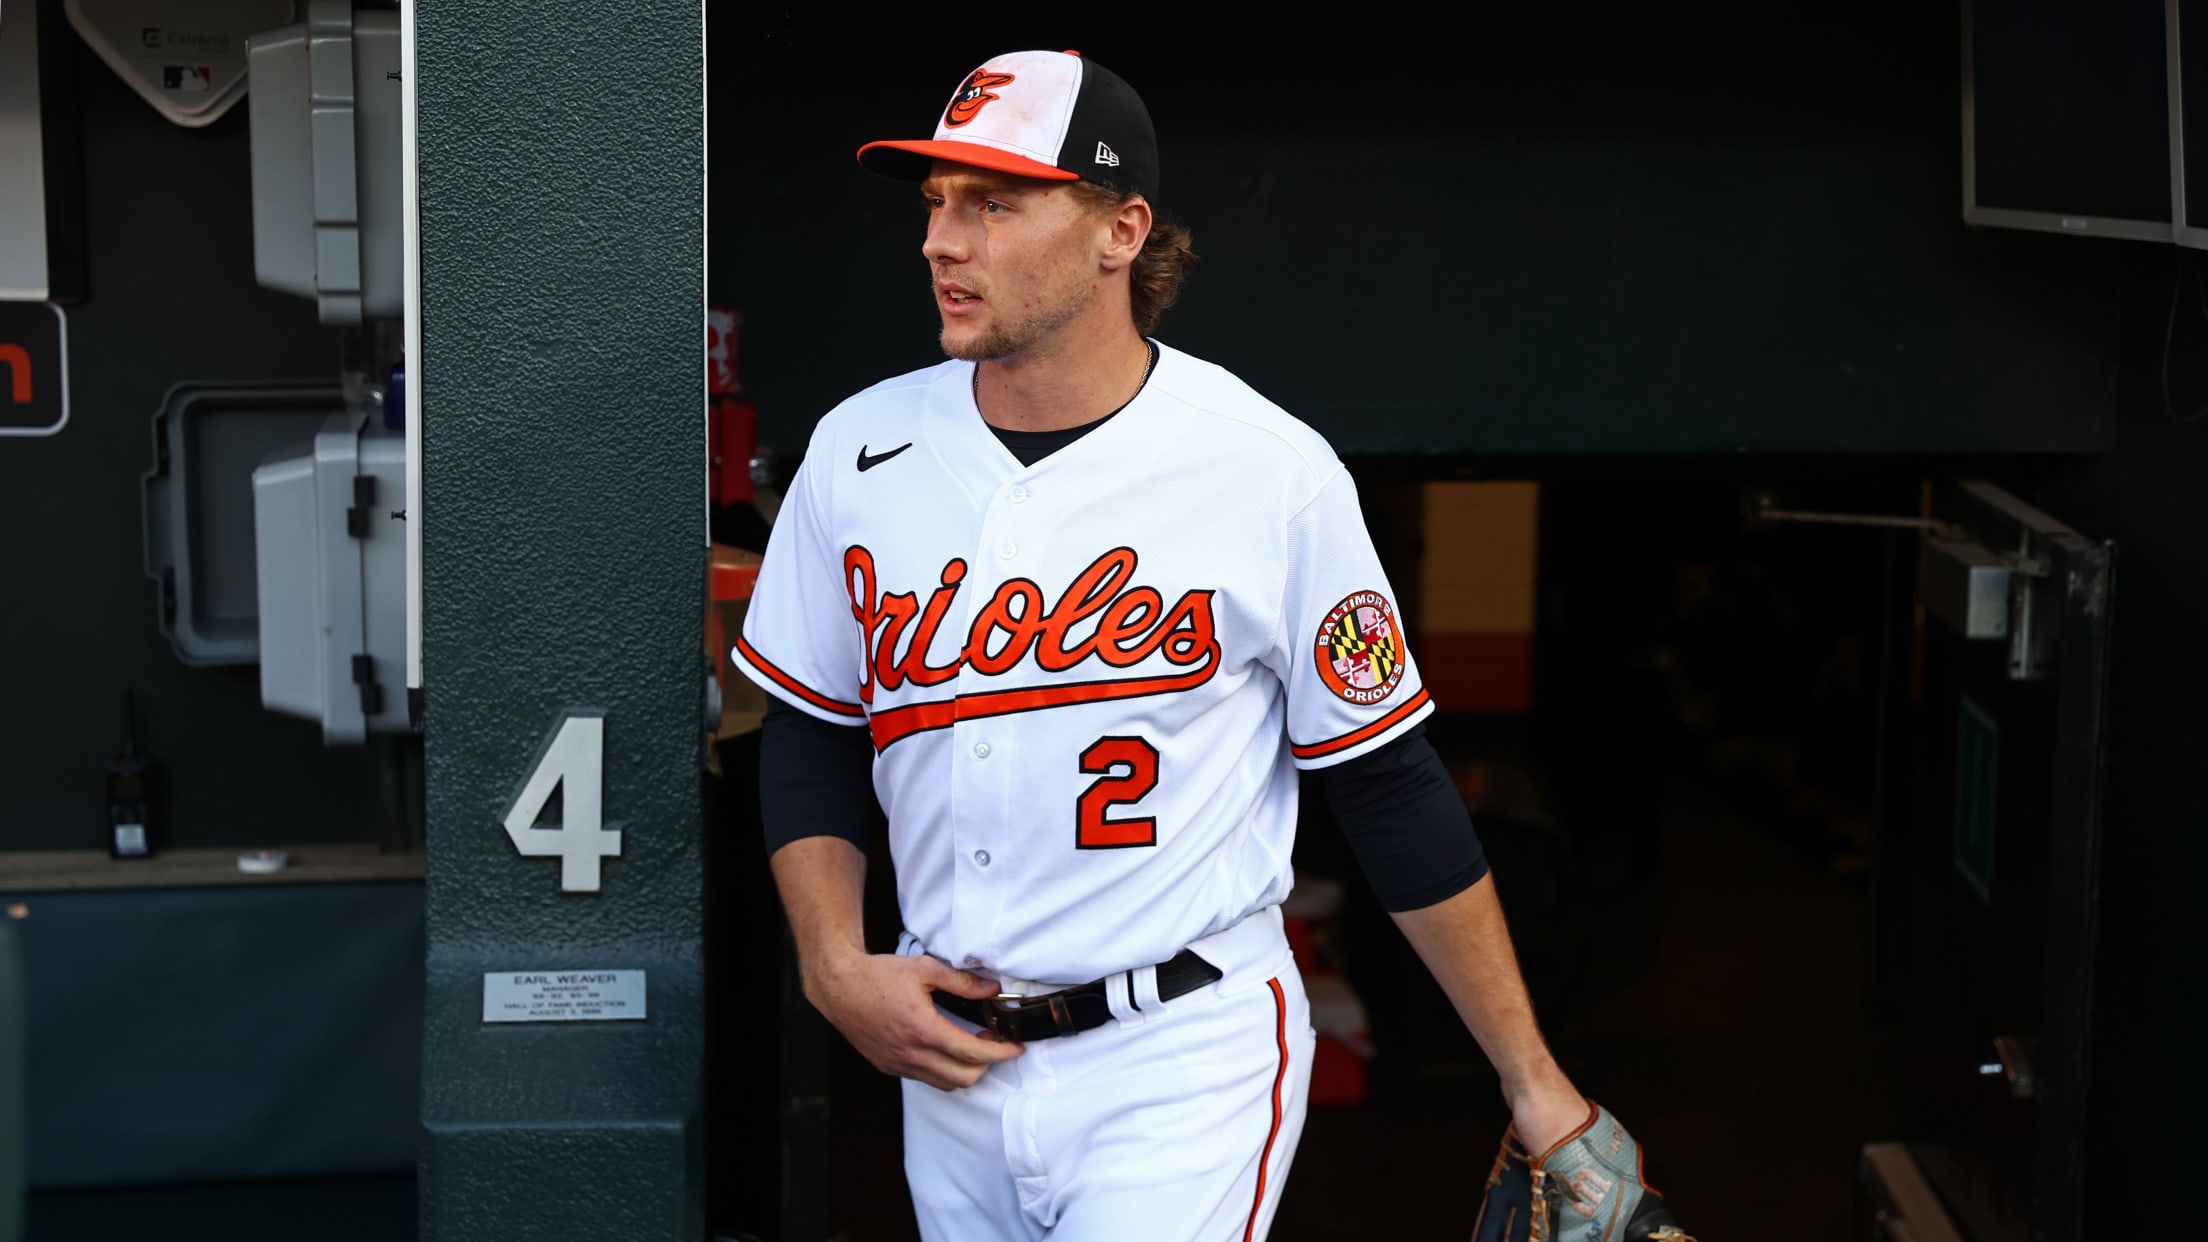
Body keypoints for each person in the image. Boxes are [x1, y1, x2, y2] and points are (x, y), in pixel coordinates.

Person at [734, 50, 1598, 1241]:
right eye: (936, 201)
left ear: (1119, 231)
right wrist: (832, 963)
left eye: (995, 202)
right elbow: (815, 733)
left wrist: (1529, 1075)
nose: (943, 240)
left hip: (1182, 1052)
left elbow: (1387, 782)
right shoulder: (858, 448)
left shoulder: (1266, 470)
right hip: (953, 1067)